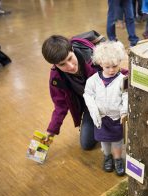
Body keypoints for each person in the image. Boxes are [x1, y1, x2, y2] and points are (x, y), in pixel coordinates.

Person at [41, 35, 102, 150]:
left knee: (112, 133)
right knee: (86, 145)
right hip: (91, 106)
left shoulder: (94, 56)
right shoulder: (56, 78)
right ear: (55, 65)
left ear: (72, 50)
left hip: (110, 99)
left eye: (70, 58)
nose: (70, 66)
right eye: (62, 64)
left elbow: (117, 71)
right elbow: (60, 106)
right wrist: (51, 130)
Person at [83, 41, 128, 176]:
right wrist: (94, 111)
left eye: (115, 66)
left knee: (117, 140)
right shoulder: (92, 80)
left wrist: (124, 111)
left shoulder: (123, 79)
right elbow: (88, 95)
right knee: (104, 140)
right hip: (101, 118)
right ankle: (107, 157)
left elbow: (126, 95)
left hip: (116, 118)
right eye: (107, 67)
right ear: (100, 63)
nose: (111, 70)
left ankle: (118, 159)